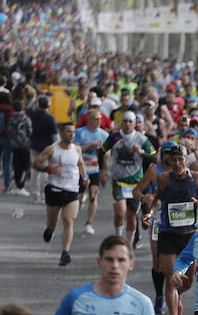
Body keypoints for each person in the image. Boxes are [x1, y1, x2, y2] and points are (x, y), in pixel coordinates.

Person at [135, 144, 198, 315]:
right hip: (168, 234)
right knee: (171, 279)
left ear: (187, 160)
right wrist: (151, 213)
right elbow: (158, 199)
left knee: (187, 282)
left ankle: (177, 297)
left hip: (189, 236)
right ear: (169, 160)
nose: (177, 163)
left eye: (181, 159)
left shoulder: (197, 178)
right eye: (174, 160)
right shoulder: (162, 179)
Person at [31, 123, 88, 267]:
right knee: (53, 221)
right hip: (54, 189)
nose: (72, 134)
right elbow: (36, 163)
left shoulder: (77, 149)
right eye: (69, 132)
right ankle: (50, 229)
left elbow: (80, 163)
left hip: (72, 190)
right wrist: (50, 169)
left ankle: (65, 252)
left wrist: (85, 176)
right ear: (61, 133)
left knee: (69, 220)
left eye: (73, 132)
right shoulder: (52, 149)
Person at [99, 111, 155, 244]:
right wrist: (102, 170)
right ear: (121, 123)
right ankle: (118, 238)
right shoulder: (114, 137)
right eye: (125, 121)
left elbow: (154, 157)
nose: (128, 124)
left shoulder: (142, 139)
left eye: (130, 121)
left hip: (136, 183)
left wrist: (141, 152)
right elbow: (101, 151)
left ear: (135, 123)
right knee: (120, 213)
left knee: (131, 216)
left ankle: (128, 244)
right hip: (119, 181)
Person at [74, 110, 109, 236]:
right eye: (96, 118)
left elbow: (107, 154)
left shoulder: (104, 135)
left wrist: (105, 170)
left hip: (95, 169)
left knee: (93, 196)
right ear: (89, 119)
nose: (99, 121)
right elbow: (76, 149)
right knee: (79, 196)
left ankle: (88, 223)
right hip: (81, 168)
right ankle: (75, 212)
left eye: (100, 119)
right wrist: (90, 146)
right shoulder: (80, 132)